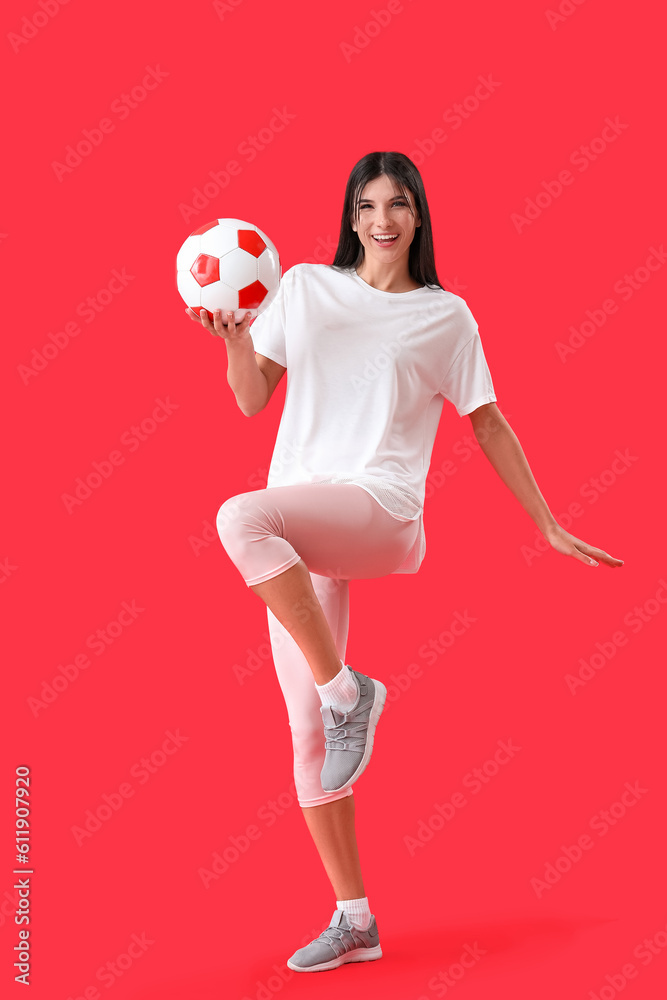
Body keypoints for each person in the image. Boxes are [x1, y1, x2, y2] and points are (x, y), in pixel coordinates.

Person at [186, 151, 624, 974]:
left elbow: (488, 423)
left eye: (398, 205)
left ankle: (351, 689)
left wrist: (548, 524)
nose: (381, 220)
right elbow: (252, 399)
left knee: (237, 517)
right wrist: (237, 340)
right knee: (307, 738)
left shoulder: (445, 316)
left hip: (382, 512)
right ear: (348, 216)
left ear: (418, 217)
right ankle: (355, 920)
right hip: (300, 525)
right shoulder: (305, 289)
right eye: (366, 205)